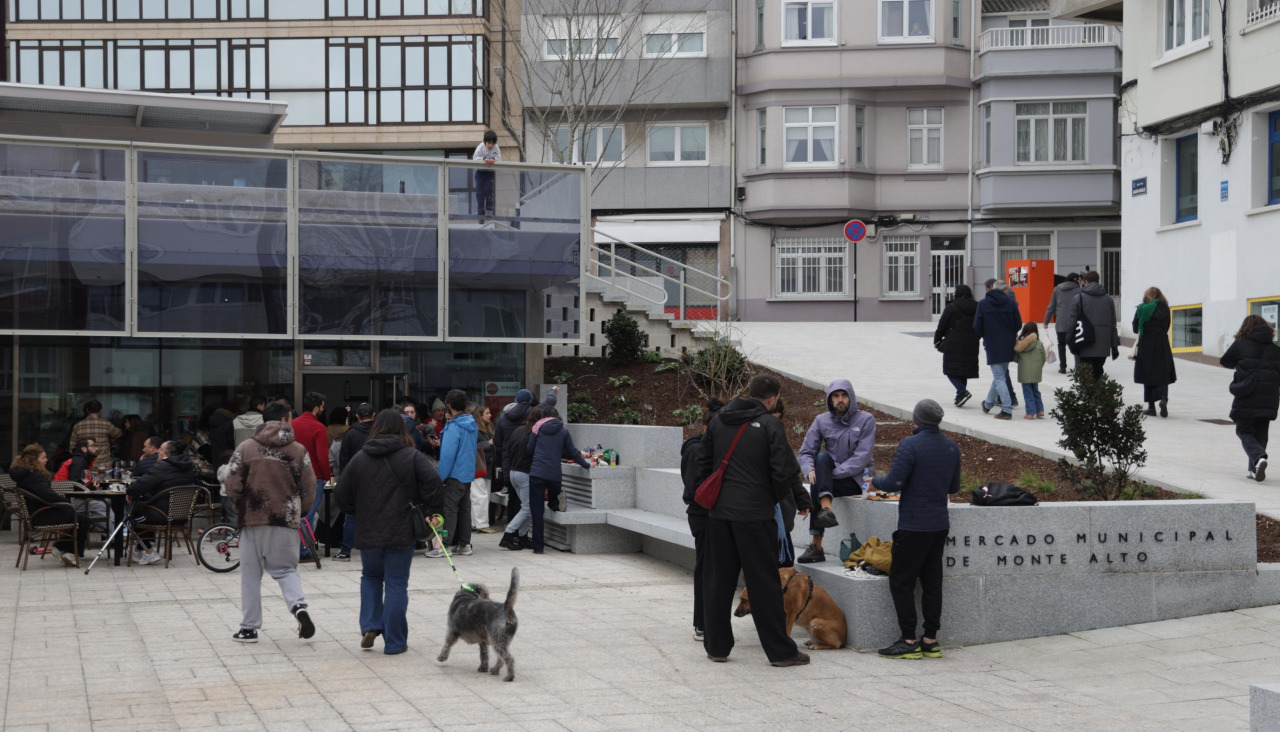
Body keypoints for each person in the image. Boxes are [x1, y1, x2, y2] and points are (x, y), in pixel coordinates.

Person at [695, 374, 809, 667]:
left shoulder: (719, 422)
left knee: (718, 581)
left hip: (720, 516)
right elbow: (783, 472)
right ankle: (780, 652)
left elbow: (703, 463)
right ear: (772, 399)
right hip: (756, 517)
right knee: (764, 584)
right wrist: (769, 499)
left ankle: (716, 647)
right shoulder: (771, 425)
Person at [335, 409, 444, 655]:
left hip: (369, 529)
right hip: (401, 529)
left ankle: (371, 624)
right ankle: (395, 642)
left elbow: (341, 494)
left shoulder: (360, 457)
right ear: (402, 430)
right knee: (396, 583)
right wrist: (434, 512)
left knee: (371, 577)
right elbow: (434, 485)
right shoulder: (412, 456)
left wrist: (358, 510)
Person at [872, 399, 961, 660]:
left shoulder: (910, 444)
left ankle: (909, 640)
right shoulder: (951, 446)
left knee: (901, 581)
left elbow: (894, 482)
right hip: (939, 525)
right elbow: (953, 487)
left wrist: (874, 481)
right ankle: (930, 640)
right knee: (932, 583)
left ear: (917, 419)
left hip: (914, 525)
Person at [223, 402, 318, 644]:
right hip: (285, 519)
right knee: (286, 570)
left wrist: (240, 503)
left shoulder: (246, 448)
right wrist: (302, 510)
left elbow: (231, 483)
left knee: (251, 575)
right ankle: (298, 606)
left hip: (252, 518)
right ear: (285, 420)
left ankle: (249, 628)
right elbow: (309, 486)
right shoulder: (298, 450)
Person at [795, 379, 876, 564]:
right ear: (830, 400)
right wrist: (809, 469)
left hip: (856, 480)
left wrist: (827, 475)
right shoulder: (821, 420)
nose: (840, 400)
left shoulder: (866, 420)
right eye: (836, 396)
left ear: (851, 397)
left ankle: (816, 546)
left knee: (818, 482)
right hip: (830, 481)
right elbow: (806, 452)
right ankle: (827, 510)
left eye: (844, 395)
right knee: (821, 460)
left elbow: (861, 458)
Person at [680, 400, 723, 641]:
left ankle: (709, 622)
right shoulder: (697, 450)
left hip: (710, 515)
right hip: (703, 515)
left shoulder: (704, 448)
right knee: (706, 569)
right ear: (707, 428)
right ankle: (702, 623)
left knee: (712, 569)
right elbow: (697, 489)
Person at [1220, 315, 1280, 482]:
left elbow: (1225, 361)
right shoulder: (1275, 349)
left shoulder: (1240, 344)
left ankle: (1259, 457)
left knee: (1243, 430)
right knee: (1261, 432)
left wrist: (1241, 365)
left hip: (1247, 393)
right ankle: (1254, 469)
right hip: (1269, 397)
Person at [10, 444, 91, 566]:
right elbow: (48, 496)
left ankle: (61, 548)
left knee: (75, 516)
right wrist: (66, 501)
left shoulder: (25, 475)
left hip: (36, 513)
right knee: (83, 520)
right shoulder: (33, 476)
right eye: (43, 457)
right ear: (34, 460)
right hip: (41, 515)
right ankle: (71, 553)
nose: (46, 460)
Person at [526, 406, 591, 554]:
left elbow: (529, 449)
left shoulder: (537, 428)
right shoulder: (563, 431)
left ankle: (538, 547)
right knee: (553, 498)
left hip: (537, 472)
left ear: (543, 416)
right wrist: (586, 464)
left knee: (537, 510)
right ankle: (556, 503)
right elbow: (572, 452)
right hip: (554, 474)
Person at [494, 388, 559, 526]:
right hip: (526, 462)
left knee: (512, 498)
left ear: (516, 400)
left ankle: (512, 529)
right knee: (525, 501)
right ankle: (519, 531)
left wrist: (505, 451)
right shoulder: (533, 411)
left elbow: (497, 442)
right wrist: (552, 390)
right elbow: (551, 400)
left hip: (509, 463)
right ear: (530, 400)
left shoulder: (503, 417)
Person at [126, 439, 196, 566]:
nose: (158, 451)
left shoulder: (162, 466)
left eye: (161, 450)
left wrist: (130, 491)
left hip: (161, 514)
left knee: (130, 516)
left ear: (167, 454)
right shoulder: (189, 466)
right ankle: (138, 550)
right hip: (183, 515)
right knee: (142, 512)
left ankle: (149, 551)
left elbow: (141, 485)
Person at [429, 389, 477, 558]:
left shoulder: (453, 426)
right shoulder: (471, 423)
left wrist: (440, 477)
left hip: (454, 474)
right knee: (464, 510)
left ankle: (445, 546)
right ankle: (464, 544)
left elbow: (447, 456)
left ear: (449, 405)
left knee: (449, 510)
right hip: (467, 473)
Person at [770, 398, 811, 569]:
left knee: (786, 563)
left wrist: (802, 499)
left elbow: (793, 474)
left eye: (778, 419)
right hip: (760, 516)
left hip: (781, 516)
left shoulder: (781, 443)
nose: (774, 424)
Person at [974, 280, 1022, 420]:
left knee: (999, 377)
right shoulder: (1012, 303)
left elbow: (977, 326)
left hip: (992, 344)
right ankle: (988, 404)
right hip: (1008, 344)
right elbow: (1018, 324)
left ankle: (1007, 410)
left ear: (992, 289)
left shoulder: (983, 303)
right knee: (1000, 375)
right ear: (1005, 290)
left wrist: (985, 336)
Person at [336, 403, 376, 562]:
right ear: (374, 416)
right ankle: (374, 547)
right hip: (377, 480)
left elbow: (343, 459)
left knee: (351, 516)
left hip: (355, 480)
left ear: (357, 417)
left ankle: (346, 551)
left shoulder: (350, 434)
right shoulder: (379, 433)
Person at [499, 407, 541, 552]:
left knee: (525, 506)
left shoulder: (518, 430)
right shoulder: (534, 432)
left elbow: (508, 450)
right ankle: (508, 534)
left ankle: (523, 537)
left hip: (513, 472)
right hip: (525, 473)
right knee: (527, 508)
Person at [291, 391, 332, 539]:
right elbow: (322, 457)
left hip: (293, 475)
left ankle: (297, 545)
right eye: (322, 406)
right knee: (309, 514)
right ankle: (304, 548)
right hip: (314, 477)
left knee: (294, 513)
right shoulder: (319, 428)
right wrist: (328, 476)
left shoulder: (292, 424)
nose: (323, 409)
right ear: (316, 408)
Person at [1133, 287, 1177, 418]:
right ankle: (1163, 398)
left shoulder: (1142, 308)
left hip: (1146, 344)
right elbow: (1167, 326)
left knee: (1147, 373)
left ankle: (1151, 407)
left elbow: (1135, 327)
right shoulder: (1165, 308)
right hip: (1162, 343)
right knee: (1162, 372)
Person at [1067, 270, 1121, 378]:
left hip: (1084, 342)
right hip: (1103, 344)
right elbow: (1113, 325)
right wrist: (1114, 345)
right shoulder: (1108, 299)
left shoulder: (1079, 298)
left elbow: (1072, 323)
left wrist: (1069, 340)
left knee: (1086, 375)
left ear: (1086, 282)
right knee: (1098, 372)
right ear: (1098, 280)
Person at [934, 284, 980, 407]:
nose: (953, 294)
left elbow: (942, 324)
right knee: (962, 370)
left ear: (959, 293)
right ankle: (960, 396)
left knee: (950, 370)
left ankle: (962, 391)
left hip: (953, 342)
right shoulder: (977, 307)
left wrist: (937, 340)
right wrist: (977, 337)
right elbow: (981, 324)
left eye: (955, 291)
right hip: (971, 343)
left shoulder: (952, 307)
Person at [1044, 273, 1082, 374]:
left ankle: (1062, 367)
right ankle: (1078, 368)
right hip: (1075, 322)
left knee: (1061, 344)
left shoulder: (1057, 289)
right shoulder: (1079, 290)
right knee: (1076, 344)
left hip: (1060, 322)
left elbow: (1051, 307)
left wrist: (1046, 321)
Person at [68, 399, 121, 471]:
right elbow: (118, 434)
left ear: (87, 410)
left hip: (84, 465)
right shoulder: (106, 424)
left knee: (85, 478)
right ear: (100, 410)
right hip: (103, 466)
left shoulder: (78, 425)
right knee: (104, 479)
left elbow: (72, 447)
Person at [1014, 322, 1047, 420]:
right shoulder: (1039, 344)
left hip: (1025, 373)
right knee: (1036, 391)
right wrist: (1038, 367)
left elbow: (1015, 359)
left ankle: (1030, 412)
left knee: (1027, 392)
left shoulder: (1020, 346)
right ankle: (1040, 410)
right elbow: (1043, 357)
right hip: (1036, 372)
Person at [471, 404, 496, 533]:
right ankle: (481, 524)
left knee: (480, 495)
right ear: (480, 415)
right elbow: (470, 446)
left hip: (485, 466)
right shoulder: (474, 429)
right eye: (487, 413)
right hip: (478, 466)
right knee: (480, 496)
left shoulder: (487, 428)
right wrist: (488, 443)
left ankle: (475, 523)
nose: (490, 415)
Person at [473, 129, 500, 216]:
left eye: (492, 143)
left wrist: (493, 159)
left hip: (490, 173)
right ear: (485, 142)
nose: (490, 145)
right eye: (488, 143)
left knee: (489, 191)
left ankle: (489, 212)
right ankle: (480, 214)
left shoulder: (496, 148)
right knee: (480, 193)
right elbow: (475, 158)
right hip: (480, 173)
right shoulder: (480, 147)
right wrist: (484, 160)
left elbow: (499, 158)